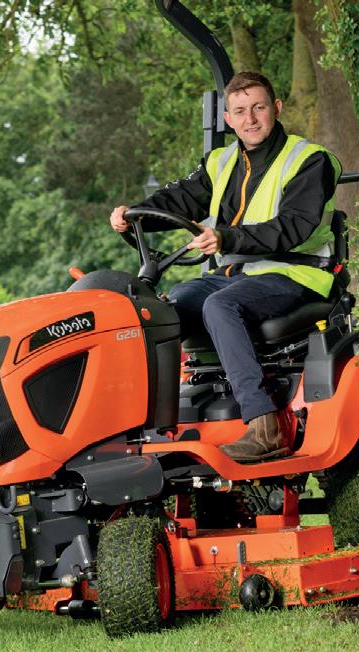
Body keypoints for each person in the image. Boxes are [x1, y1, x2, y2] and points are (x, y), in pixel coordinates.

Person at [109, 71, 341, 464]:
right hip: (235, 275)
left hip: (294, 273)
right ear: (228, 119)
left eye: (258, 108)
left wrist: (226, 238)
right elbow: (179, 200)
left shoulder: (309, 160)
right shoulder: (221, 162)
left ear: (276, 108)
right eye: (240, 111)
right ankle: (154, 424)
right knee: (167, 307)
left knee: (219, 306)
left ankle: (264, 426)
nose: (251, 119)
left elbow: (294, 226)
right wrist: (134, 215)